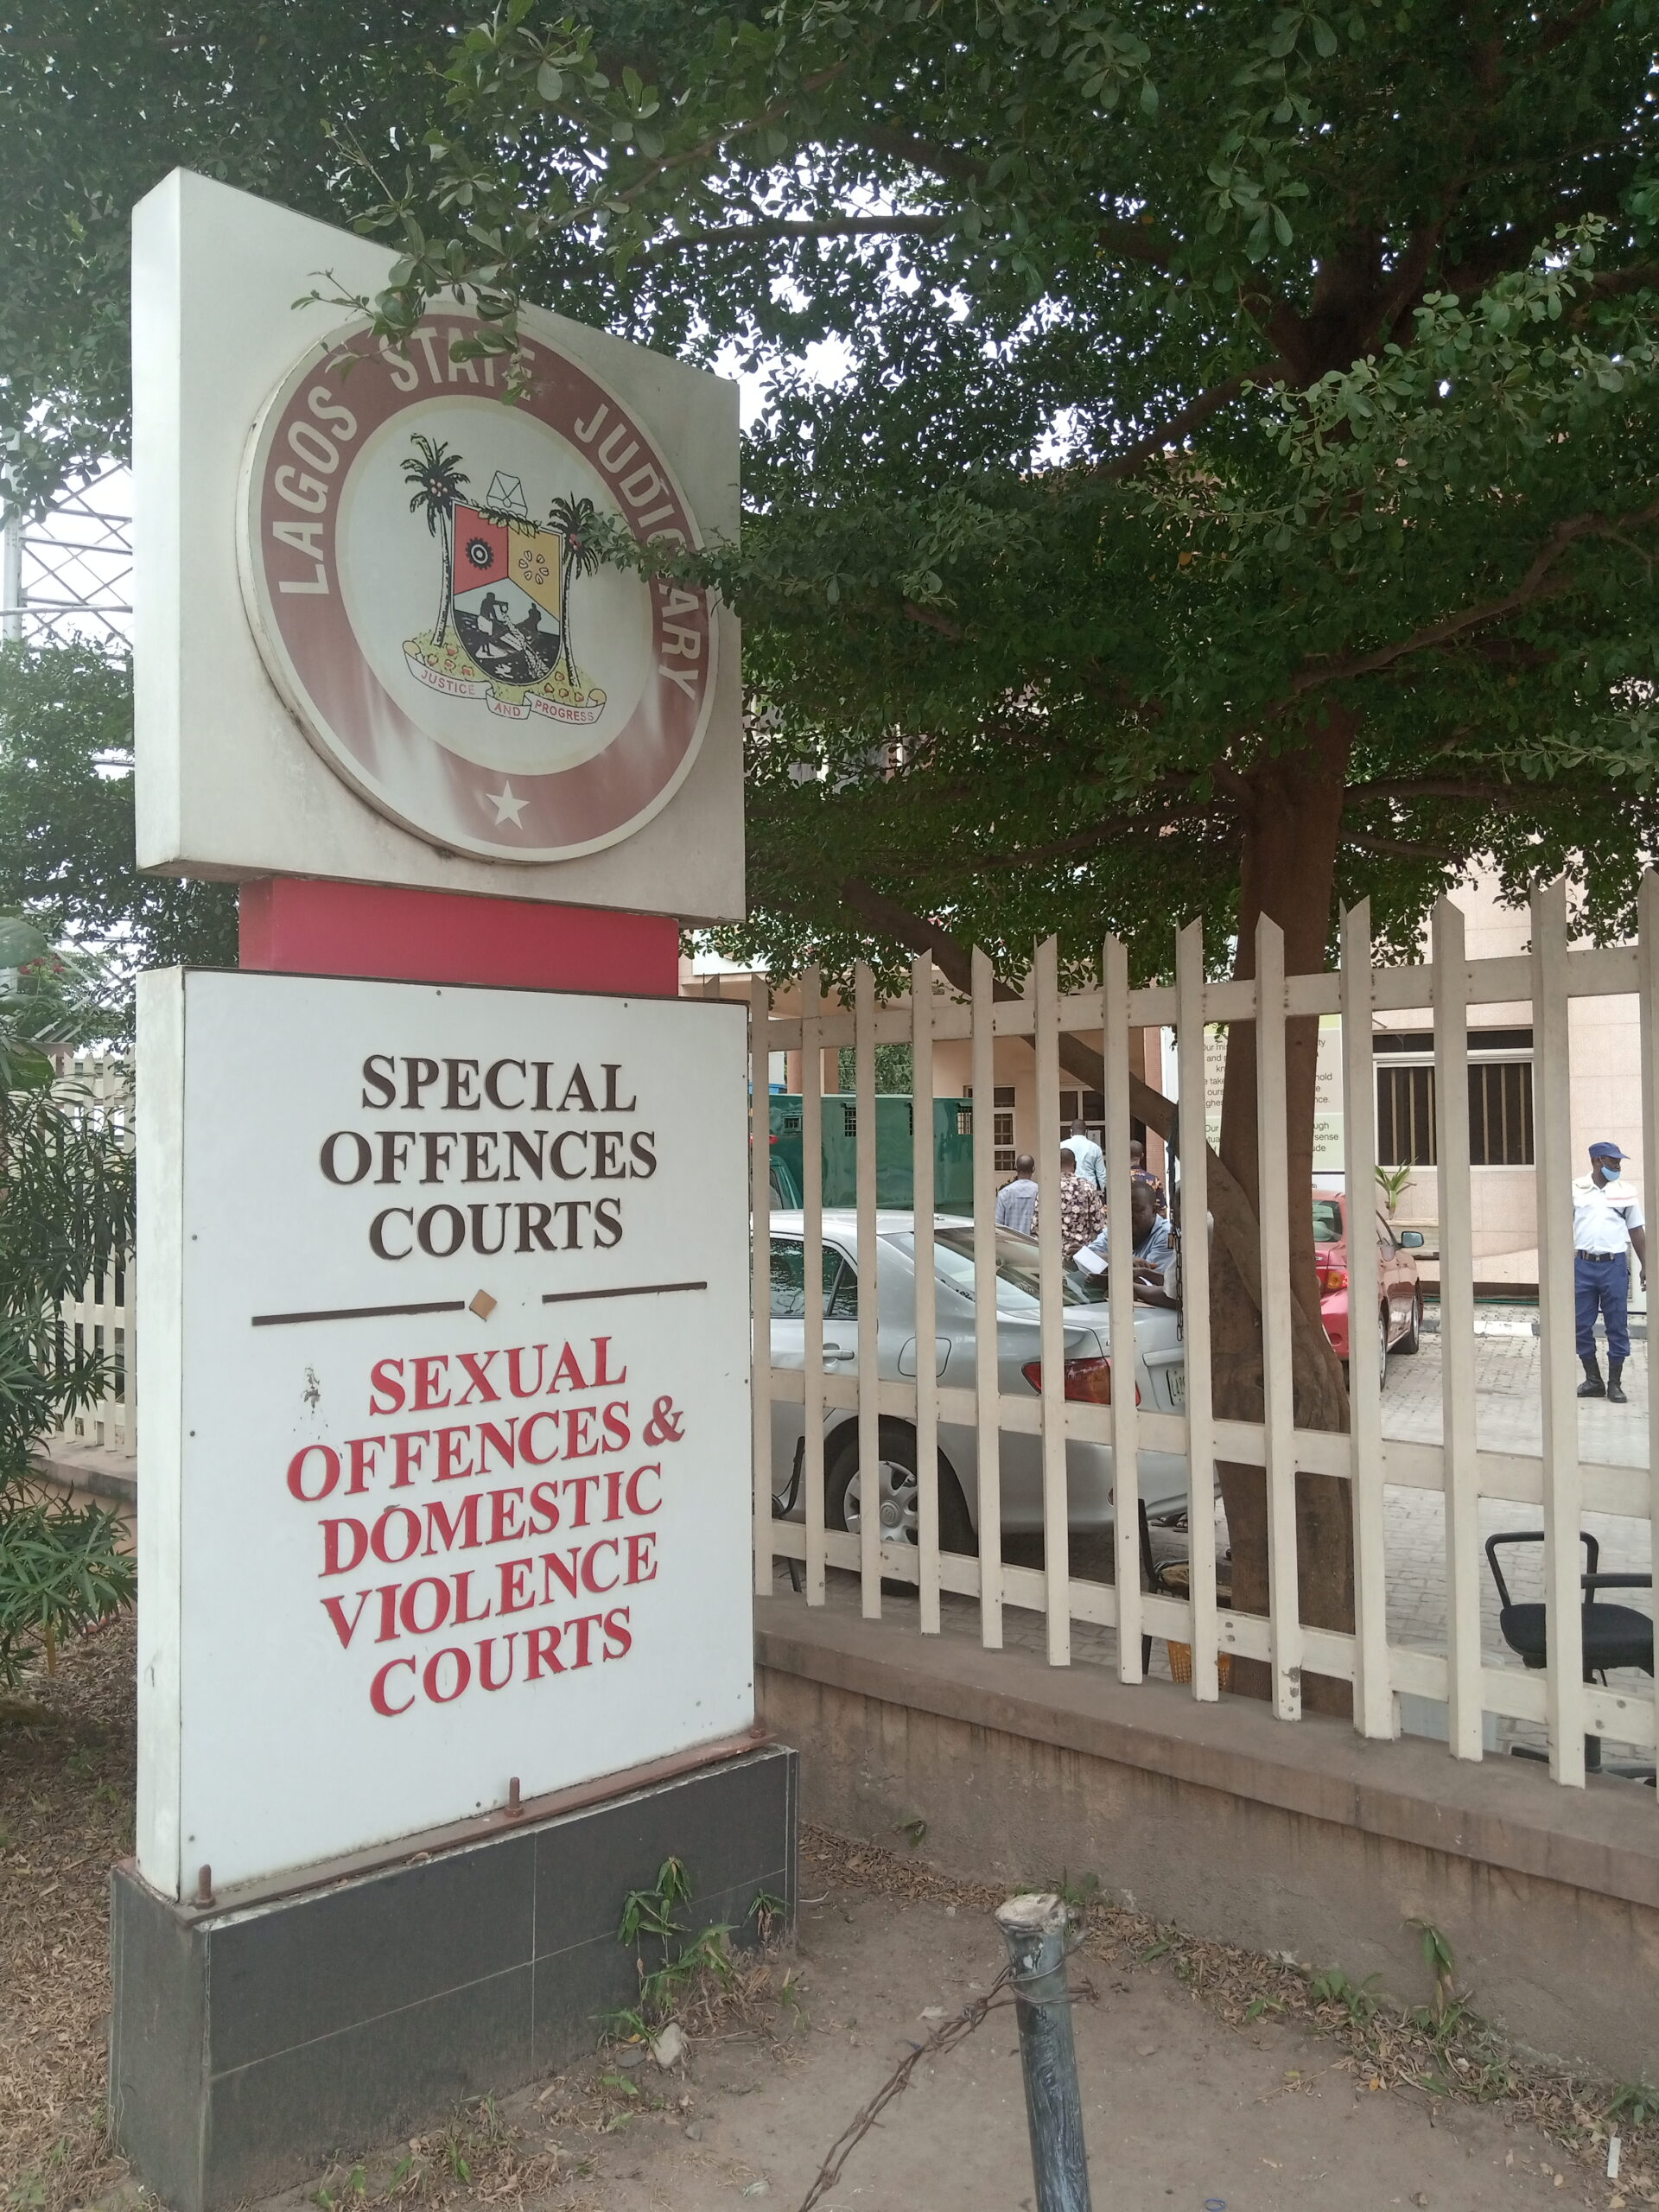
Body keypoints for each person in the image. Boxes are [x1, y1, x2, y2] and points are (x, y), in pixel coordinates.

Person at [1573, 1140, 1647, 1402]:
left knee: (1617, 1325)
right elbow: (1560, 1225)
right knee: (1580, 1325)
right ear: (1597, 1161)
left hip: (1613, 1266)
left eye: (1619, 1161)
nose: (1618, 1165)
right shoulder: (1576, 1189)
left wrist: (1646, 1264)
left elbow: (1636, 1229)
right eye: (1613, 1161)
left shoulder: (1626, 1192)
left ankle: (1615, 1383)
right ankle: (1593, 1380)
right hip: (1582, 1265)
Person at [1079, 1181, 1173, 1281]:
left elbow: (1146, 1280)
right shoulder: (1118, 1229)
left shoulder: (1166, 1236)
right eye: (1124, 1209)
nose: (1129, 1215)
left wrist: (1109, 1262)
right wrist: (1123, 1261)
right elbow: (1088, 1255)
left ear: (1154, 1211)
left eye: (1136, 1209)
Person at [1034, 1143, 1104, 1258]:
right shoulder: (1087, 1188)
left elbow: (1036, 1226)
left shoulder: (1046, 1188)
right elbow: (1098, 1226)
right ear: (1075, 1165)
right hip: (1080, 1255)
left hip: (1051, 1256)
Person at [995, 1154, 1039, 1236]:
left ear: (1015, 1167)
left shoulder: (1005, 1193)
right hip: (1035, 1242)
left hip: (1011, 1242)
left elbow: (998, 1226)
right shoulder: (1040, 1192)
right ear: (1033, 1169)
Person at [1066, 1119, 1106, 1193]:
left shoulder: (1062, 1146)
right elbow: (1101, 1175)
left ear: (1071, 1131)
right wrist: (1105, 1193)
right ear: (1086, 1132)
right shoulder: (1095, 1148)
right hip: (1090, 1189)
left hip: (1068, 1190)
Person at [1129, 1139, 1167, 1217]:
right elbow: (1162, 1211)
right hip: (1147, 1222)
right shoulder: (1154, 1180)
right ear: (1142, 1156)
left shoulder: (1118, 1181)